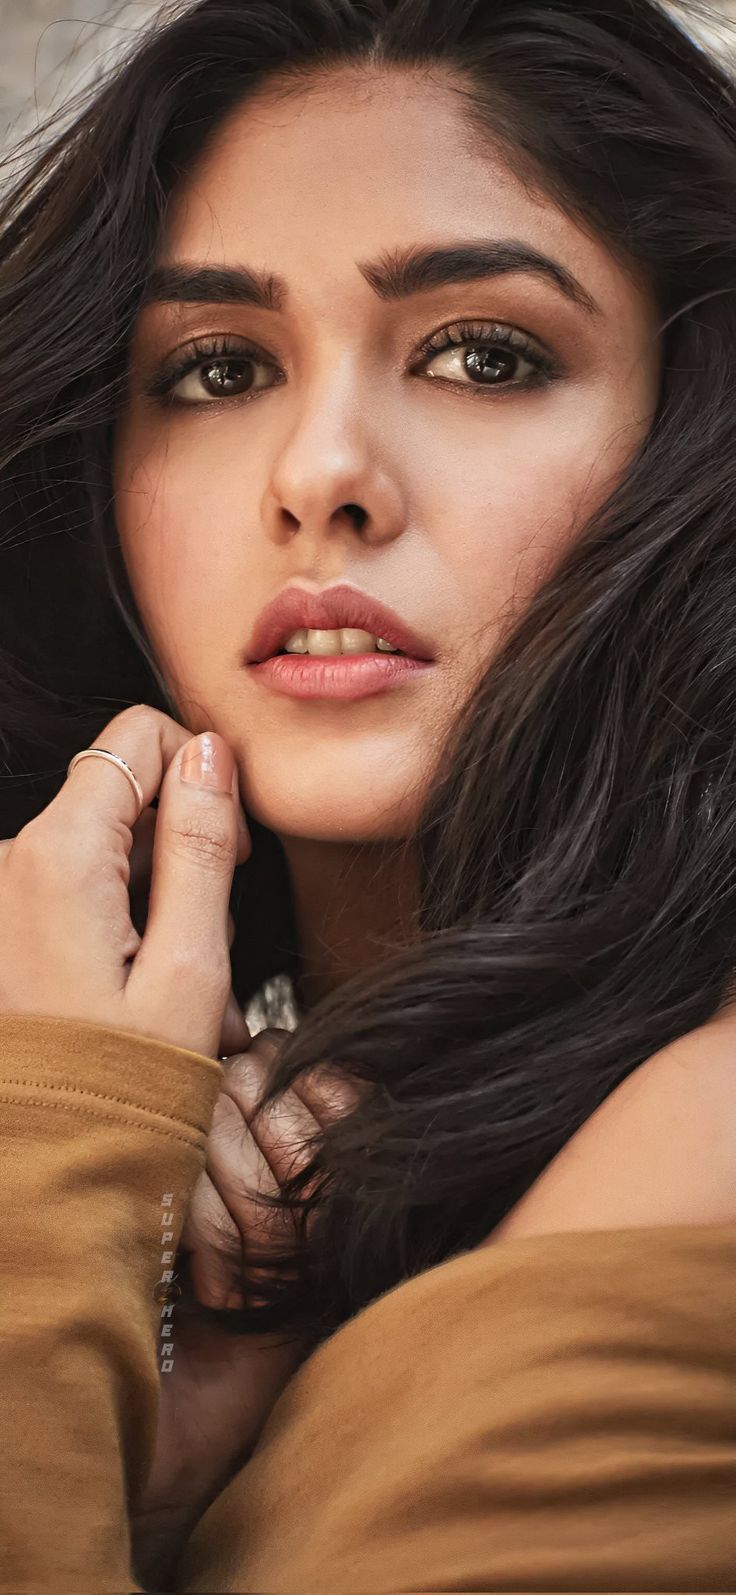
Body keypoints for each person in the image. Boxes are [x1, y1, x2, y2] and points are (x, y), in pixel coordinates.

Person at [1, 0, 735, 1589]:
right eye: (214, 369)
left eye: (484, 354)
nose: (321, 468)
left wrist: (37, 1179)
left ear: (694, 440)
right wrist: (150, 1493)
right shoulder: (259, 1219)